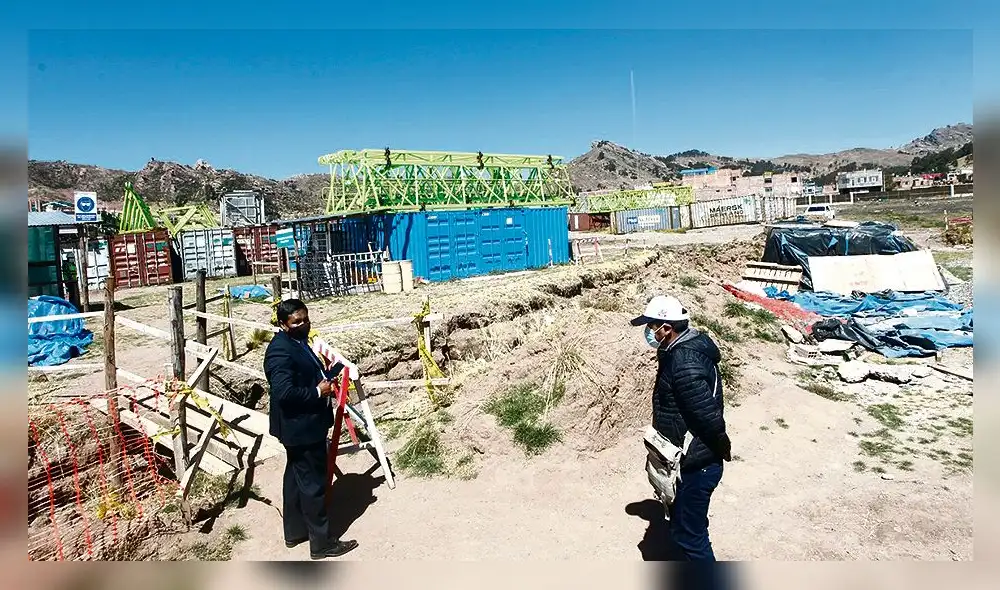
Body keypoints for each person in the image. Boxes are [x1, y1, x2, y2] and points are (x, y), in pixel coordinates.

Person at [631, 295, 732, 561]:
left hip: (698, 464)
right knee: (686, 525)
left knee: (691, 536)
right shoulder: (676, 351)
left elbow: (708, 417)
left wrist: (720, 449)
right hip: (689, 460)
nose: (649, 332)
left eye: (652, 326)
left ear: (666, 328)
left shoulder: (684, 361)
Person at [264, 298, 358, 560]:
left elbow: (301, 374)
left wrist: (322, 374)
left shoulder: (296, 342)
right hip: (301, 428)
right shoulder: (279, 351)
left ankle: (294, 532)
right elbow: (285, 392)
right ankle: (322, 543)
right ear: (284, 324)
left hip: (300, 426)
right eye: (297, 322)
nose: (303, 324)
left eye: (305, 319)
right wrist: (319, 390)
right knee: (313, 484)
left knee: (295, 479)